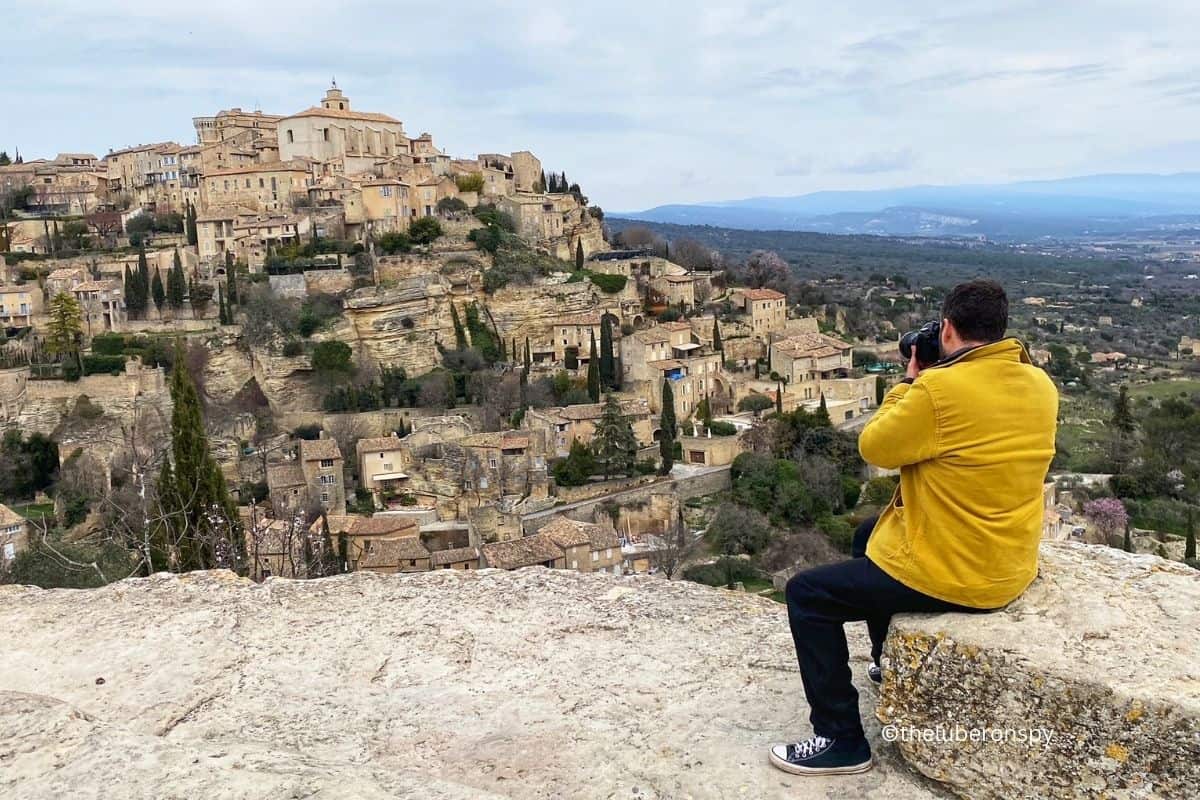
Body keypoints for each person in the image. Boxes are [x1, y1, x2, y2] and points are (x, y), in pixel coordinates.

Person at [768, 279, 1058, 776]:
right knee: (867, 537)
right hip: (1008, 565)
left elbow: (875, 447)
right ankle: (888, 663)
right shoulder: (1040, 385)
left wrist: (909, 382)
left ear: (946, 329)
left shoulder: (937, 390)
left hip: (956, 575)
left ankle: (841, 740)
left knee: (807, 596)